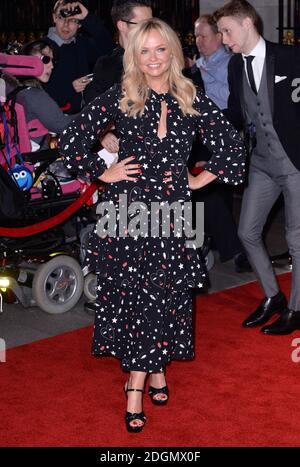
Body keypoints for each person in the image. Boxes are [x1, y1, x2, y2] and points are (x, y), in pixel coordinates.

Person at [59, 18, 246, 432]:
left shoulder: (189, 95)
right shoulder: (122, 96)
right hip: (127, 214)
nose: (154, 58)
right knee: (141, 299)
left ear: (173, 53)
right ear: (134, 55)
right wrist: (101, 172)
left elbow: (233, 145)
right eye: (145, 50)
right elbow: (72, 139)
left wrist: (196, 178)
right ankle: (138, 384)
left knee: (165, 296)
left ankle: (151, 370)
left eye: (161, 49)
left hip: (175, 215)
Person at [214, 0, 300, 334]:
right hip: (261, 163)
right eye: (221, 32)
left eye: (226, 31)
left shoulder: (292, 57)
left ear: (247, 23)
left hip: (294, 163)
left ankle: (296, 307)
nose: (223, 39)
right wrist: (203, 123)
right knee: (246, 231)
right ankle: (273, 297)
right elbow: (237, 113)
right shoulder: (235, 66)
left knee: (296, 240)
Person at [187, 14, 251, 272]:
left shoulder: (230, 64)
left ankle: (230, 247)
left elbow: (233, 105)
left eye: (204, 36)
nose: (199, 41)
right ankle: (214, 241)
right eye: (197, 36)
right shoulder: (196, 65)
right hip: (196, 132)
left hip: (220, 131)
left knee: (206, 185)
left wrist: (202, 74)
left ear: (218, 38)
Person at [44, 1, 114, 114]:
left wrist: (87, 17)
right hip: (56, 119)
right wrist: (71, 88)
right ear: (54, 18)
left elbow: (109, 48)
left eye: (72, 20)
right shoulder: (41, 49)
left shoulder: (81, 44)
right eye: (61, 18)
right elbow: (38, 94)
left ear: (80, 24)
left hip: (85, 113)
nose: (66, 25)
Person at [84, 0, 152, 107]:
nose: (151, 29)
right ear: (122, 26)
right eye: (144, 24)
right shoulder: (106, 65)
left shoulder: (156, 59)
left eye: (151, 23)